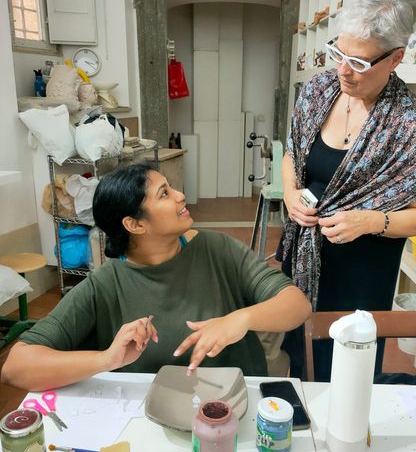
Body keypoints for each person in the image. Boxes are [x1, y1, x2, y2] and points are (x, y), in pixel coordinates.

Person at [1, 162, 311, 392]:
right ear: (135, 225)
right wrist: (106, 359)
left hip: (234, 407)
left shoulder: (216, 249)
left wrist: (240, 319)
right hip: (149, 419)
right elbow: (16, 366)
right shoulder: (106, 284)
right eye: (165, 193)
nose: (181, 195)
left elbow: (297, 305)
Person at [278, 0, 416, 381]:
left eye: (358, 62)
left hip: (361, 270)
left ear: (395, 59)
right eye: (338, 52)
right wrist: (290, 193)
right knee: (298, 351)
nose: (344, 70)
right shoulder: (319, 91)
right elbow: (293, 153)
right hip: (304, 256)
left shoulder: (414, 129)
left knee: (346, 370)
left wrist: (369, 220)